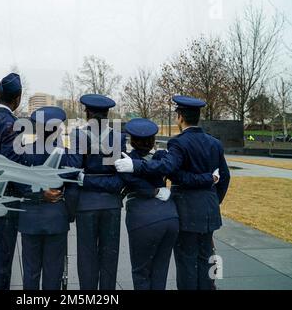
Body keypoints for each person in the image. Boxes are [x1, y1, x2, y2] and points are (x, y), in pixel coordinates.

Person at [115, 95, 230, 290]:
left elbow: (172, 171)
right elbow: (225, 177)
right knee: (206, 260)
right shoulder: (215, 143)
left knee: (186, 261)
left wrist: (134, 165)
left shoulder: (178, 143)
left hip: (186, 209)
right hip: (209, 209)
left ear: (180, 117)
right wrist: (212, 199)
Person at [0, 73, 61, 290]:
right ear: (17, 99)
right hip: (5, 202)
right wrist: (40, 193)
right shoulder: (13, 125)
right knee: (1, 261)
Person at [68, 94, 125, 290]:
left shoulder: (78, 135)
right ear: (107, 114)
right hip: (111, 205)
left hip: (86, 205)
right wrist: (105, 182)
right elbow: (118, 181)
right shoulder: (118, 137)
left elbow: (76, 172)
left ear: (87, 113)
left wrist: (86, 179)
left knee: (86, 258)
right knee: (109, 257)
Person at [18, 106, 72, 290]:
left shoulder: (24, 152)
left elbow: (19, 184)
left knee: (31, 273)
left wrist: (39, 193)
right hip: (56, 218)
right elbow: (72, 189)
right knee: (53, 273)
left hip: (30, 218)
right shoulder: (66, 155)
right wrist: (69, 215)